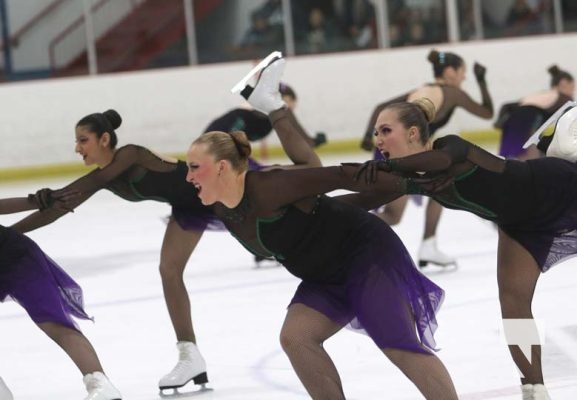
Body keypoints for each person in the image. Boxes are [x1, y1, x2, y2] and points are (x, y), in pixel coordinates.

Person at [9, 69, 320, 395]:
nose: (77, 148)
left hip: (217, 188)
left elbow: (80, 188)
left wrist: (41, 199)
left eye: (83, 140)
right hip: (190, 206)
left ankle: (274, 106)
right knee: (169, 271)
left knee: (304, 176)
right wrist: (10, 232)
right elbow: (62, 206)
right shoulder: (107, 175)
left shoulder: (129, 155)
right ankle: (190, 355)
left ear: (104, 139)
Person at [185, 56, 458, 400]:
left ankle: (272, 104)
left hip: (364, 254)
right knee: (296, 338)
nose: (188, 177)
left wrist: (411, 181)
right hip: (324, 273)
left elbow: (336, 176)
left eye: (195, 167)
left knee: (397, 343)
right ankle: (271, 103)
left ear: (222, 167)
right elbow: (322, 207)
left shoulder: (270, 186)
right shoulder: (220, 204)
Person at [356, 97, 577, 400]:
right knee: (513, 303)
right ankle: (534, 389)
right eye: (376, 133)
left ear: (411, 133)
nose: (378, 140)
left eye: (385, 130)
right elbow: (361, 201)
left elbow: (441, 163)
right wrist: (308, 201)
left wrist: (387, 168)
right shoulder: (408, 177)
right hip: (518, 224)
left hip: (555, 190)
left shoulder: (448, 147)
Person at [359, 49, 494, 268]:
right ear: (450, 72)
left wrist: (369, 137)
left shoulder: (422, 89)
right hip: (406, 151)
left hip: (393, 148)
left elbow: (380, 109)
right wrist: (482, 80)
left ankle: (427, 244)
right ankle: (347, 236)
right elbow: (487, 112)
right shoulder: (451, 93)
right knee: (442, 182)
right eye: (462, 72)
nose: (464, 77)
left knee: (397, 211)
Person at [0, 193, 121, 400]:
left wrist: (36, 201)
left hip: (13, 254)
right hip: (14, 251)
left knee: (53, 322)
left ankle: (101, 386)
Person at [496, 64, 574, 160]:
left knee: (511, 154)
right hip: (528, 118)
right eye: (572, 87)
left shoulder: (543, 94)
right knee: (529, 155)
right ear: (564, 84)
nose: (573, 91)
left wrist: (500, 121)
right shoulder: (563, 97)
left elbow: (508, 106)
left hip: (513, 119)